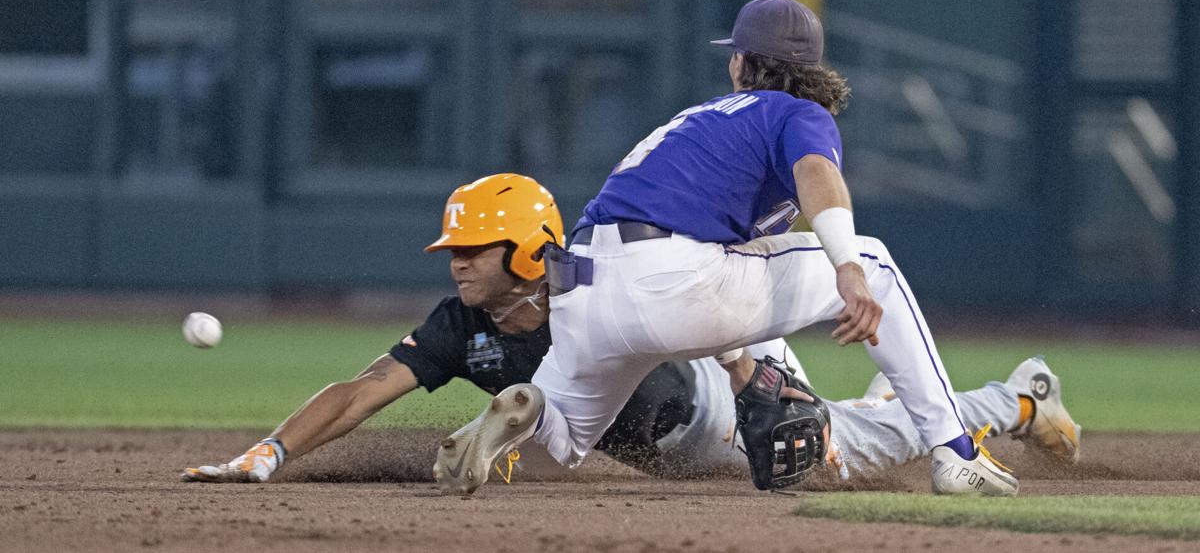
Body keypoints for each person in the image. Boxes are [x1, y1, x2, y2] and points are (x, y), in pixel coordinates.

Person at [433, 0, 1031, 496]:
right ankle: (955, 452)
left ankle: (529, 409)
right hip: (672, 279)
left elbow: (738, 256)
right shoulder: (795, 111)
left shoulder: (700, 120)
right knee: (872, 259)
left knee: (563, 436)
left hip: (583, 290)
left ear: (741, 62)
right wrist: (846, 268)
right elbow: (818, 175)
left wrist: (740, 354)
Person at [181, 173, 1081, 486]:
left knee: (853, 450)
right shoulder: (462, 323)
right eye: (454, 248)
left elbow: (679, 304)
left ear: (530, 251)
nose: (457, 263)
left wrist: (752, 375)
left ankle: (1019, 398)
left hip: (710, 395)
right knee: (852, 428)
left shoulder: (589, 277)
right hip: (663, 423)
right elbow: (362, 389)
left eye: (477, 249)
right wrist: (267, 453)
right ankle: (519, 427)